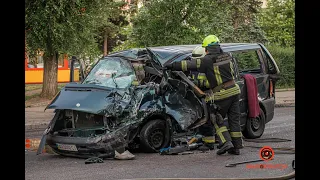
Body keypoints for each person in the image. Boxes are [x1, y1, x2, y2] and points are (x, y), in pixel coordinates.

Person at [165, 35, 243, 155]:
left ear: (208, 49)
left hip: (222, 93)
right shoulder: (228, 56)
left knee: (216, 119)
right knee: (234, 120)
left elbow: (189, 65)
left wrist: (171, 65)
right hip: (235, 91)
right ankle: (237, 147)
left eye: (206, 49)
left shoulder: (207, 60)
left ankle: (226, 142)